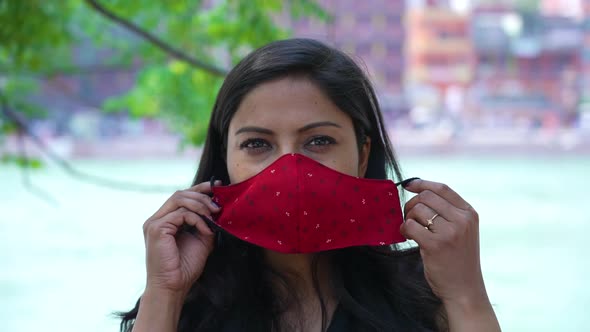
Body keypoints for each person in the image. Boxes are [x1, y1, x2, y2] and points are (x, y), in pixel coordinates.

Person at [119, 38, 500, 332]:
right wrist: (164, 293)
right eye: (257, 144)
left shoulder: (426, 291)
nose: (291, 168)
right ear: (226, 158)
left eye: (318, 141)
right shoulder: (186, 301)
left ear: (363, 154)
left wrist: (465, 292)